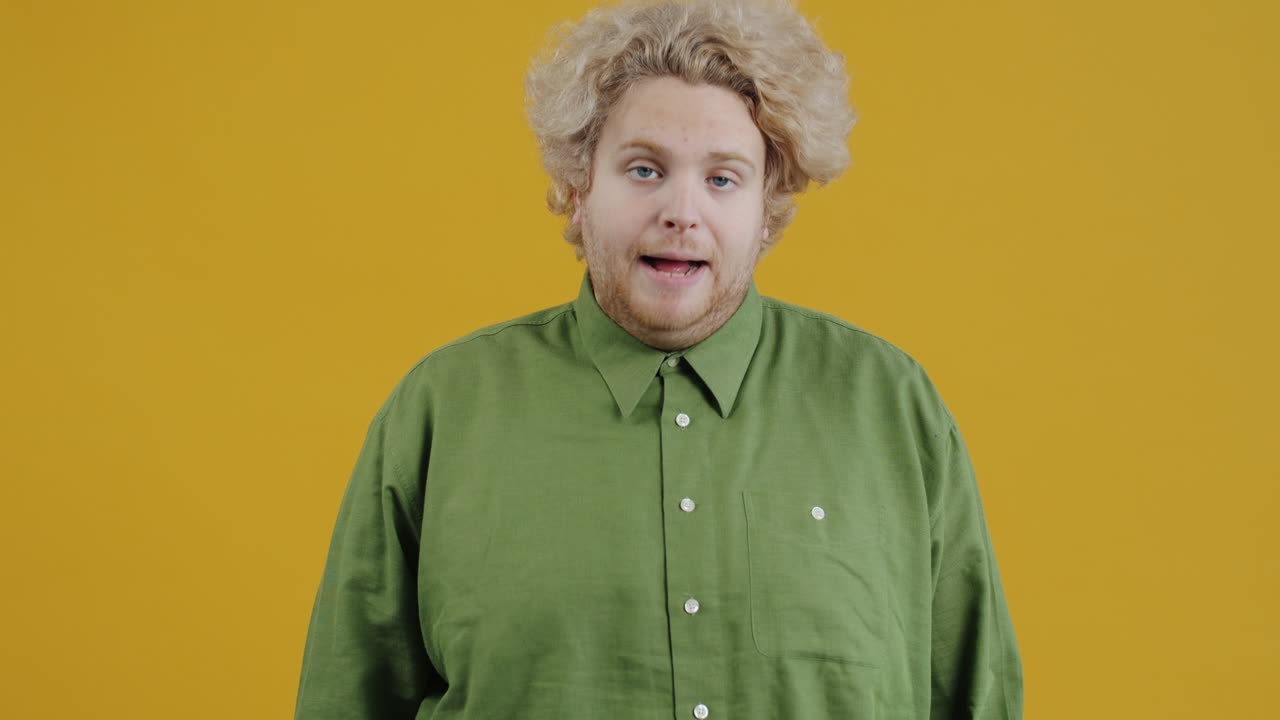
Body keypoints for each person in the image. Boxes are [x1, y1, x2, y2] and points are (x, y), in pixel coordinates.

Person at [293, 0, 1023, 718]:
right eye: (644, 170)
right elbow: (346, 697)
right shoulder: (442, 411)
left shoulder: (890, 406)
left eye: (723, 178)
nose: (682, 210)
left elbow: (978, 694)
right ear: (578, 189)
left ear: (767, 206)